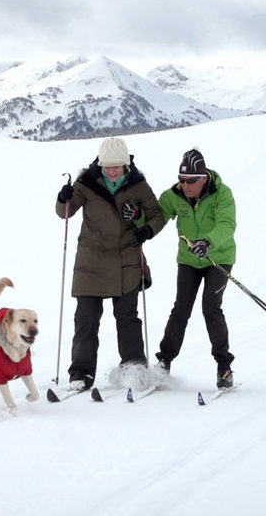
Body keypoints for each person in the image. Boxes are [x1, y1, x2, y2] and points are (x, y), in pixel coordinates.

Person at [55, 137, 165, 391]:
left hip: (126, 258)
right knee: (86, 319)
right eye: (107, 166)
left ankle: (134, 369)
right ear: (100, 164)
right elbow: (65, 213)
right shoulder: (86, 183)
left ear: (126, 164)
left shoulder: (138, 186)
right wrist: (64, 198)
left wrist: (146, 230)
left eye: (117, 166)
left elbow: (156, 214)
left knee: (127, 317)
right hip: (90, 259)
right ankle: (80, 374)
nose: (112, 171)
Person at [154, 147, 237, 388]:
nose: (185, 185)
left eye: (190, 181)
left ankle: (224, 366)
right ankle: (164, 362)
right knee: (181, 308)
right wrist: (139, 219)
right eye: (181, 180)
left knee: (211, 308)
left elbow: (227, 224)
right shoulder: (175, 195)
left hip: (218, 257)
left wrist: (208, 242)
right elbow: (156, 216)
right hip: (189, 259)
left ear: (203, 179)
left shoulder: (222, 194)